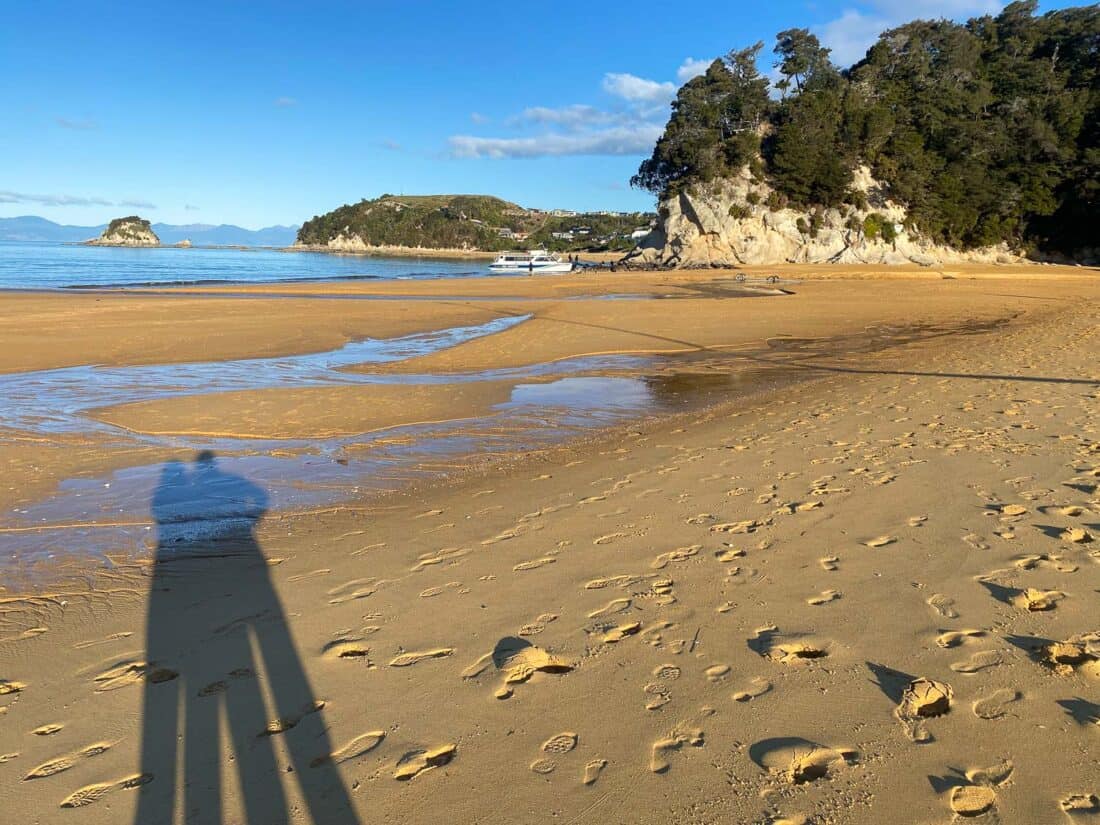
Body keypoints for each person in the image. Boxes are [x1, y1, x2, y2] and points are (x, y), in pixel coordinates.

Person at [135, 451, 360, 825]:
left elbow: (260, 499)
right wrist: (250, 519)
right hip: (247, 566)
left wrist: (248, 517)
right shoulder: (219, 488)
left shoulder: (167, 495)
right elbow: (261, 498)